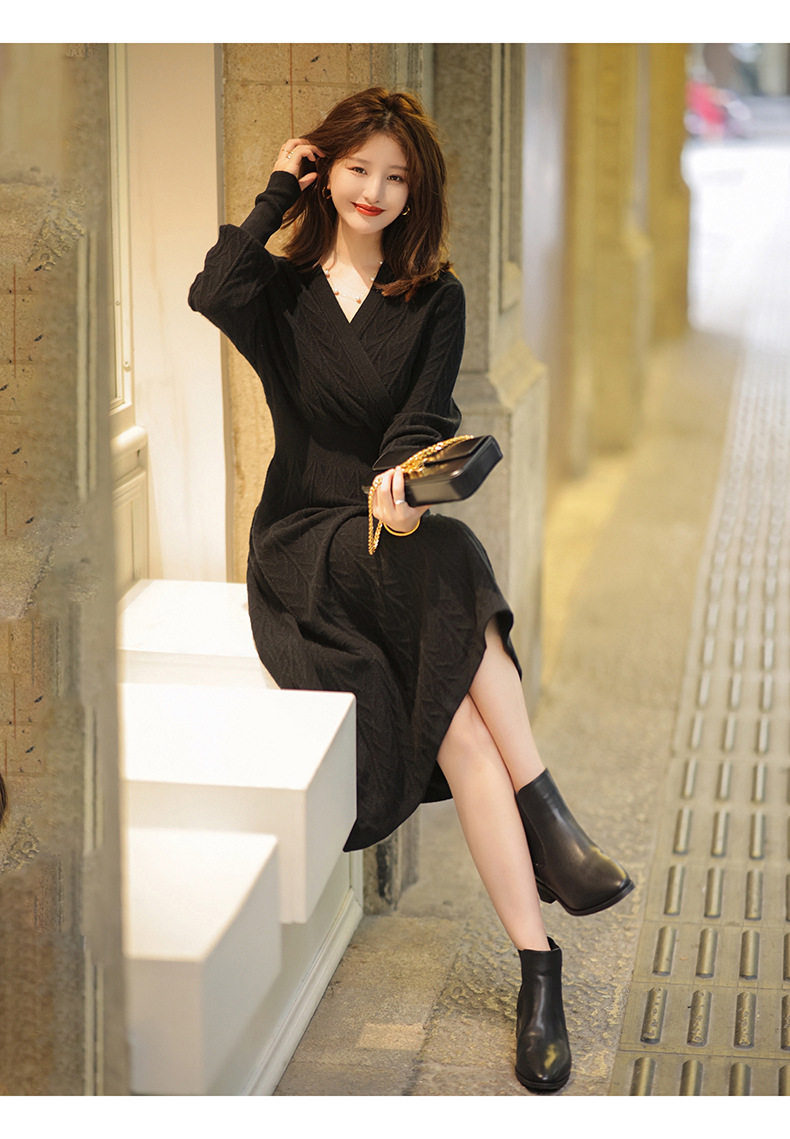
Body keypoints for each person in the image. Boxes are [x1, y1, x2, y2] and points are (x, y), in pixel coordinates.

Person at [189, 87, 632, 1094]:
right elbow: (211, 290)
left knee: (461, 726)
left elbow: (420, 420)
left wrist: (398, 492)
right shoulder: (279, 291)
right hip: (302, 543)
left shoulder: (436, 297)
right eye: (357, 169)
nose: (375, 191)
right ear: (325, 169)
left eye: (396, 177)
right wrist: (276, 191)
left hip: (388, 533)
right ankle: (553, 822)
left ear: (416, 191)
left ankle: (538, 964)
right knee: (459, 560)